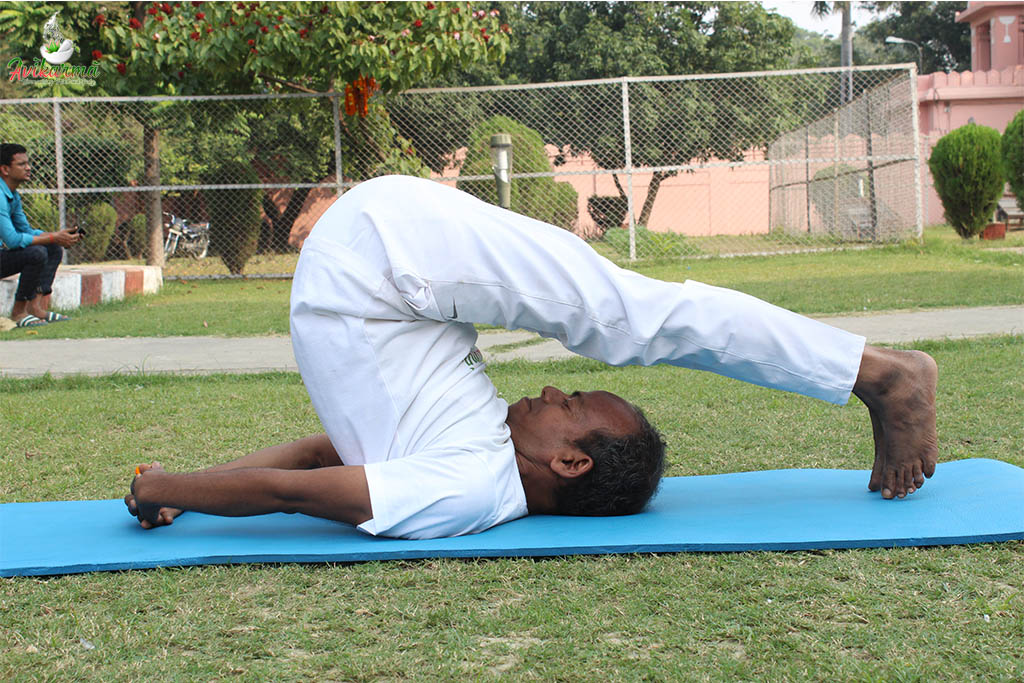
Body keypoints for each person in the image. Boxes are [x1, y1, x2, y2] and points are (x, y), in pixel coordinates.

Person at [126, 176, 938, 539]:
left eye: (572, 403)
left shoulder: (469, 482)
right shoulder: (479, 449)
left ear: (571, 461)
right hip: (381, 267)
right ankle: (874, 371)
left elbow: (303, 477)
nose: (551, 386)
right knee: (626, 315)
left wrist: (174, 489)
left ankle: (882, 372)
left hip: (379, 263)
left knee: (628, 316)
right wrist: (176, 492)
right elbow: (306, 471)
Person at [0, 143, 80, 327]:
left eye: (28, 163)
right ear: (5, 169)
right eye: (21, 164)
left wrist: (58, 237)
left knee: (52, 248)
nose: (28, 168)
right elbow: (12, 240)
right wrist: (53, 237)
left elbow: (25, 231)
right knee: (36, 253)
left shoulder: (12, 194)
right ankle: (18, 313)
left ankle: (35, 308)